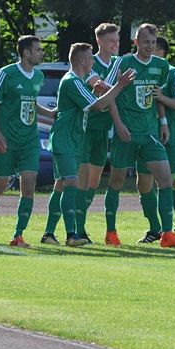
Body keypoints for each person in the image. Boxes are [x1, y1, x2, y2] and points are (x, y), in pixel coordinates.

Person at [103, 23, 175, 248]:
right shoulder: (122, 62)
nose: (149, 46)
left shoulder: (161, 66)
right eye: (145, 42)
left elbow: (157, 95)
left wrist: (163, 122)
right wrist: (118, 124)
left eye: (153, 42)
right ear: (136, 42)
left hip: (150, 133)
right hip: (126, 133)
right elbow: (108, 93)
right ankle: (111, 232)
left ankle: (167, 234)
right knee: (117, 182)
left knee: (166, 179)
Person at [41, 43, 134, 246]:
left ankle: (48, 233)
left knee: (60, 185)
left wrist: (97, 90)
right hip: (65, 140)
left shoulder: (79, 82)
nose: (93, 61)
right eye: (91, 58)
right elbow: (99, 106)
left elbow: (93, 104)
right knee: (71, 184)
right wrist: (119, 85)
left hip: (73, 140)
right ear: (83, 61)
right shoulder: (72, 81)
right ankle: (72, 235)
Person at [0, 35, 55, 247]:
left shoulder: (38, 76)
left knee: (29, 185)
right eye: (38, 49)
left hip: (29, 140)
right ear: (26, 53)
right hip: (6, 139)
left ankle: (18, 235)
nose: (41, 53)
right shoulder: (6, 74)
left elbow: (29, 104)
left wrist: (49, 113)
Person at [65, 23, 120, 244]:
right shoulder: (89, 63)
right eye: (111, 40)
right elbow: (103, 88)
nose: (115, 43)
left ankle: (80, 226)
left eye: (117, 39)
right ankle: (76, 230)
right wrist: (118, 85)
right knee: (81, 182)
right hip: (85, 130)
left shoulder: (118, 62)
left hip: (103, 131)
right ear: (99, 41)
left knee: (93, 184)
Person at [137, 36, 175, 242]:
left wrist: (161, 98)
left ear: (163, 54)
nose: (150, 52)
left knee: (174, 182)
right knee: (144, 185)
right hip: (146, 134)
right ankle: (154, 229)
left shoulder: (173, 72)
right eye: (147, 46)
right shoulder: (140, 69)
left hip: (170, 136)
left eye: (155, 49)